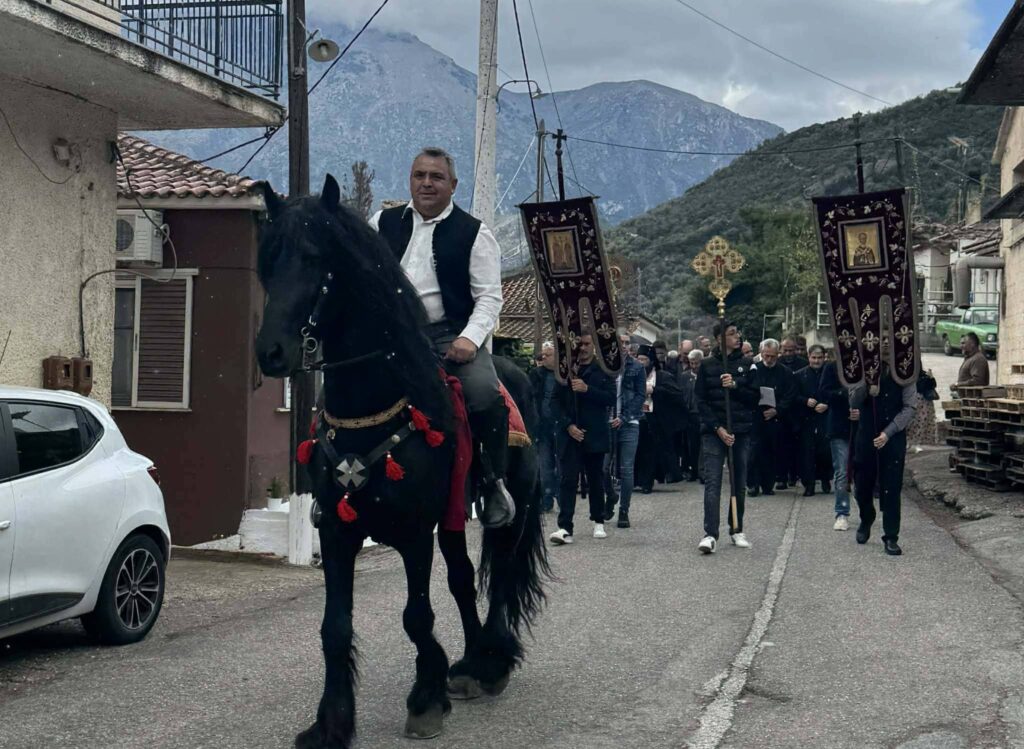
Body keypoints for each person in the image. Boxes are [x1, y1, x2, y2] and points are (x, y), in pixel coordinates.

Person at [370, 146, 512, 528]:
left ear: (453, 185)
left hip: (452, 337)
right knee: (334, 393)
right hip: (394, 337)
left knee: (484, 394)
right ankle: (334, 483)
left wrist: (469, 339)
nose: (427, 183)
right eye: (420, 176)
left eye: (436, 177)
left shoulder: (474, 233)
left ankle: (492, 481)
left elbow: (489, 297)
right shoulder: (381, 222)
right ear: (410, 180)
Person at [695, 321, 759, 554]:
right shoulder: (707, 365)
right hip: (714, 432)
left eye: (737, 332)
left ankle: (736, 528)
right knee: (713, 482)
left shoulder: (747, 364)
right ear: (719, 339)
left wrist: (735, 386)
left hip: (740, 430)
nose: (737, 336)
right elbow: (700, 401)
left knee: (738, 482)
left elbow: (755, 397)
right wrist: (717, 428)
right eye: (731, 334)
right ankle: (710, 533)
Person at [549, 334, 616, 545]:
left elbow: (610, 398)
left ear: (594, 346)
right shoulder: (565, 369)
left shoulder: (603, 369)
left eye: (588, 344)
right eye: (580, 344)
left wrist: (587, 390)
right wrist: (568, 425)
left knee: (595, 479)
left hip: (594, 433)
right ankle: (565, 526)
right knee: (568, 480)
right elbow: (554, 401)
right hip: (570, 434)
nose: (583, 348)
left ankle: (598, 520)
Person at [849, 350, 917, 556]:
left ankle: (891, 536)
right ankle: (866, 517)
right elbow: (852, 401)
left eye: (889, 340)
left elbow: (910, 407)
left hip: (892, 436)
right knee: (862, 484)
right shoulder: (861, 366)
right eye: (882, 340)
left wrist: (888, 433)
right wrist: (867, 386)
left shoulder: (906, 369)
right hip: (866, 434)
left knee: (892, 486)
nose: (886, 347)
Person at [606, 331, 646, 528]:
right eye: (620, 341)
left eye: (627, 342)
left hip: (629, 422)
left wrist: (623, 417)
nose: (624, 345)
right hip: (606, 422)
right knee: (603, 467)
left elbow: (640, 396)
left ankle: (624, 510)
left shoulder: (637, 367)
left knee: (626, 469)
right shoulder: (605, 366)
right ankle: (611, 496)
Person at [748, 339, 796, 497]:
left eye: (772, 356)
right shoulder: (754, 369)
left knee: (771, 451)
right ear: (761, 354)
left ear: (778, 355)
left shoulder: (785, 372)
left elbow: (790, 395)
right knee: (754, 451)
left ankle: (768, 484)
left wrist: (777, 410)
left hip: (776, 417)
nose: (769, 360)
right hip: (756, 415)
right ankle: (753, 484)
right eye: (766, 356)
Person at [794, 345, 833, 497]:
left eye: (819, 358)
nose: (816, 361)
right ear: (808, 357)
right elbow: (793, 396)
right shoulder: (799, 375)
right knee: (807, 453)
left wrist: (827, 404)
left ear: (825, 358)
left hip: (826, 418)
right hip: (807, 419)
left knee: (825, 451)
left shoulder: (831, 374)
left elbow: (838, 393)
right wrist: (805, 401)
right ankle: (808, 485)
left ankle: (825, 479)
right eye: (814, 357)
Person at [820, 359, 853, 531]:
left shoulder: (868, 363)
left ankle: (866, 512)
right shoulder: (833, 366)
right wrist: (846, 393)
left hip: (862, 425)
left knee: (864, 471)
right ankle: (842, 512)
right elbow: (824, 392)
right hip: (839, 425)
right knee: (841, 471)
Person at [529, 342, 559, 513]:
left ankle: (562, 498)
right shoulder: (536, 375)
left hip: (561, 425)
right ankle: (546, 498)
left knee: (561, 465)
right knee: (544, 465)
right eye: (543, 355)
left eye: (548, 355)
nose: (543, 358)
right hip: (542, 426)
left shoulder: (564, 375)